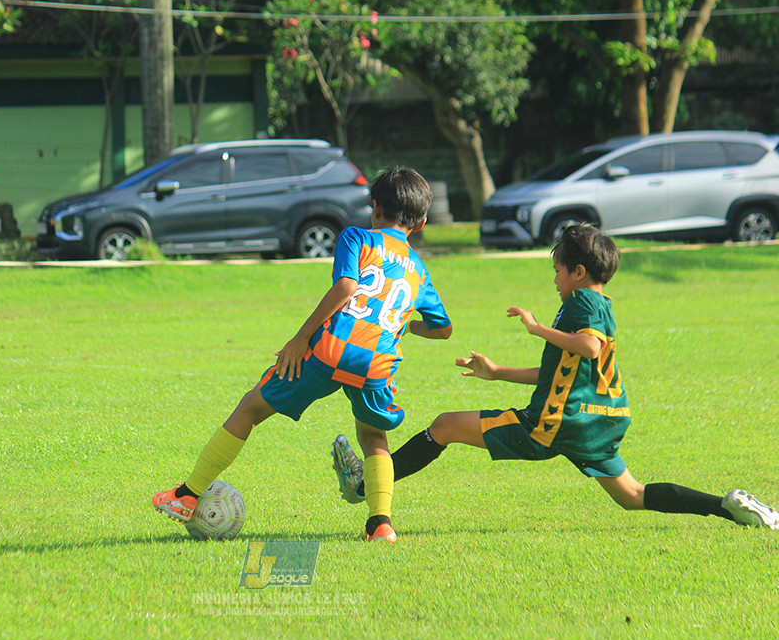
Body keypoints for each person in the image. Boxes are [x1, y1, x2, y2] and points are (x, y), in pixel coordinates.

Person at [331, 223, 779, 531]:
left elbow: (589, 348)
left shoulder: (583, 304)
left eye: (558, 271)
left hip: (554, 424)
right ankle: (727, 508)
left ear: (578, 272)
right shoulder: (597, 305)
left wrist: (535, 327)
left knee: (444, 426)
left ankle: (361, 486)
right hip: (597, 420)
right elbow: (558, 371)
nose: (556, 280)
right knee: (631, 494)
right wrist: (496, 373)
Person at [152, 166, 453, 542]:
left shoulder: (359, 237)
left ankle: (187, 495)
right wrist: (403, 324)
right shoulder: (420, 272)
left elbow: (346, 286)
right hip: (377, 363)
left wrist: (300, 339)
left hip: (331, 350)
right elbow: (443, 329)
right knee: (374, 437)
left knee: (251, 408)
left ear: (375, 207)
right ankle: (381, 525)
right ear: (421, 223)